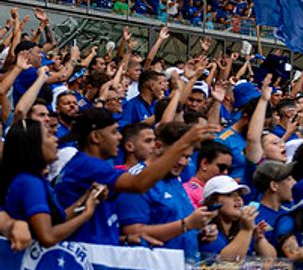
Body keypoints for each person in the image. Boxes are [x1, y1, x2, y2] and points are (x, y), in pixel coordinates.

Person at [55, 107, 216, 245]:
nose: (119, 137)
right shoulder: (87, 165)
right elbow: (138, 184)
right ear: (96, 137)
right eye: (114, 132)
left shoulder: (91, 167)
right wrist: (183, 143)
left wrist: (124, 239)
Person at [117, 120, 217, 257]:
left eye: (187, 157)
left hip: (184, 268)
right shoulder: (137, 180)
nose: (183, 162)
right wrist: (186, 225)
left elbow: (176, 223)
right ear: (158, 147)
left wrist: (200, 233)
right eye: (179, 155)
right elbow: (133, 233)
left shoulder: (174, 177)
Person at [0, 119, 101, 246]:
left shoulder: (35, 180)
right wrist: (87, 214)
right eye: (48, 135)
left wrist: (87, 197)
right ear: (34, 145)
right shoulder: (29, 182)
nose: (55, 140)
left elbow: (59, 218)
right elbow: (47, 237)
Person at [200, 175, 276, 260]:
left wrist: (259, 238)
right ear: (214, 202)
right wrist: (246, 230)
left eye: (239, 195)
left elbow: (272, 259)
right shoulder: (208, 232)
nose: (238, 199)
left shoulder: (240, 228)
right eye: (230, 195)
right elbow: (227, 265)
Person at [252, 159, 295, 247]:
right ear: (274, 186)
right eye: (288, 179)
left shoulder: (292, 210)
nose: (294, 183)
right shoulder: (253, 216)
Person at [185, 140, 234, 207]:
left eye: (228, 169)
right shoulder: (187, 191)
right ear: (204, 164)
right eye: (222, 167)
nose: (225, 172)